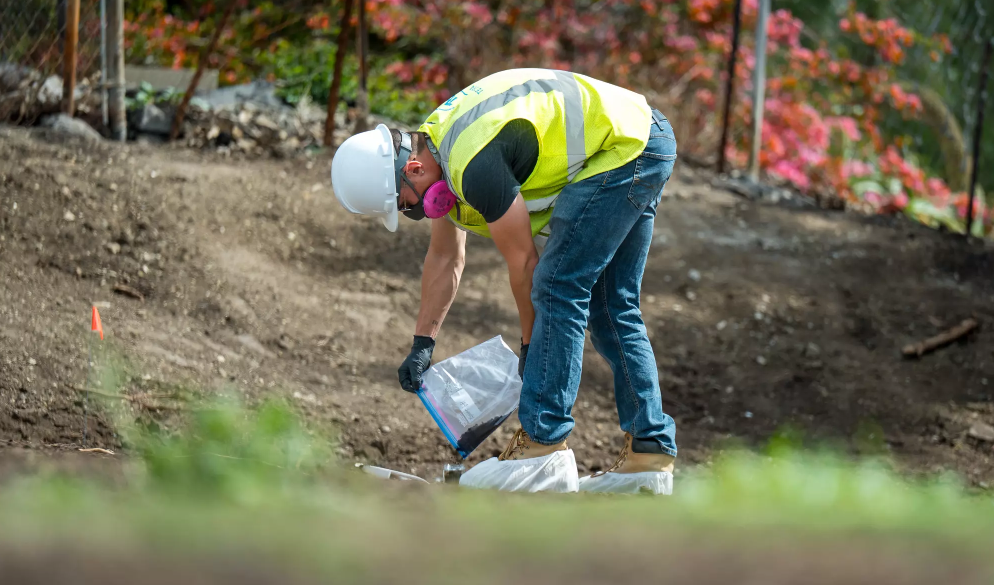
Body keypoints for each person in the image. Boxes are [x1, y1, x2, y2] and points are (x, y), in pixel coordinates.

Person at [330, 68, 678, 494]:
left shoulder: (472, 163)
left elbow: (526, 264)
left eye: (407, 207)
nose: (416, 214)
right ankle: (648, 457)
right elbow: (444, 255)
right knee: (611, 304)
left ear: (415, 169)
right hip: (642, 133)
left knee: (557, 283)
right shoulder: (438, 147)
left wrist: (533, 350)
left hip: (624, 146)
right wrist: (423, 343)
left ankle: (542, 447)